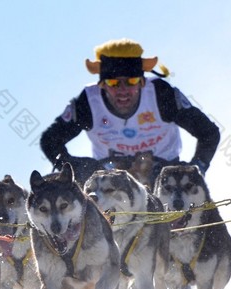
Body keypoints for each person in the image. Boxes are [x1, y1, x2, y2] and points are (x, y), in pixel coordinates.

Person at [40, 38, 221, 184]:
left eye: (132, 81)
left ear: (142, 82)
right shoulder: (88, 102)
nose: (123, 90)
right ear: (102, 85)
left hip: (164, 175)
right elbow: (50, 140)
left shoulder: (161, 94)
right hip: (112, 180)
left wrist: (197, 168)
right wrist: (73, 168)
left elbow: (208, 133)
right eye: (113, 83)